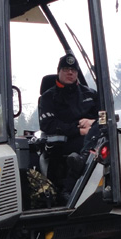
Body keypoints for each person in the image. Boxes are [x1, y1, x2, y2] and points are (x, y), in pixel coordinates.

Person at [37, 53, 99, 198]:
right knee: (83, 148)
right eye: (65, 69)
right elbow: (48, 125)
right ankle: (68, 190)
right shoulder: (48, 97)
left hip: (94, 136)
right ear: (59, 71)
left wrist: (92, 122)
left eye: (73, 70)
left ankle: (79, 171)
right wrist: (79, 130)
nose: (70, 72)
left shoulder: (90, 94)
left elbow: (106, 116)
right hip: (66, 140)